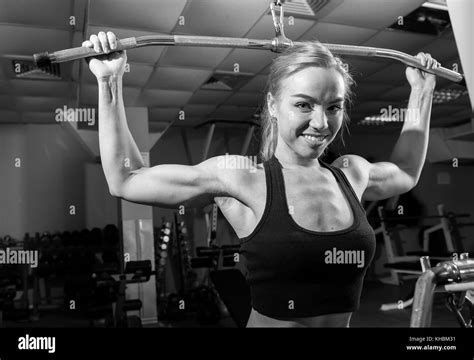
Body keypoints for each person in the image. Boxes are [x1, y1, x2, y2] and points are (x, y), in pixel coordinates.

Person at [82, 31, 439, 327]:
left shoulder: (351, 173)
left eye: (333, 106)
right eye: (303, 105)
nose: (321, 122)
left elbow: (406, 171)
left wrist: (421, 92)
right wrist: (109, 80)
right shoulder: (242, 177)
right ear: (272, 105)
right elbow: (126, 179)